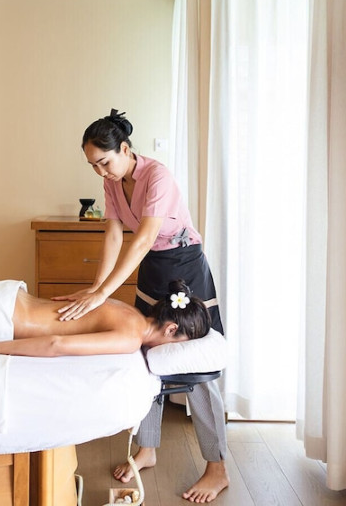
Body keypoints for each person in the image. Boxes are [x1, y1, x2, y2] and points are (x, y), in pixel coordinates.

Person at [53, 109, 229, 504]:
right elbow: (114, 235)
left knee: (196, 365)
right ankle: (147, 448)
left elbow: (145, 237)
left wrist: (103, 294)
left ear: (125, 149)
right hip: (153, 269)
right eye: (93, 165)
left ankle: (217, 467)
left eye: (104, 161)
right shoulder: (113, 183)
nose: (100, 172)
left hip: (185, 267)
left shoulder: (157, 176)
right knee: (144, 353)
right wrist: (95, 289)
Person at [0, 278, 210, 357]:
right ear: (171, 329)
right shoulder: (131, 338)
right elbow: (56, 344)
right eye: (179, 343)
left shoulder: (131, 312)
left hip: (6, 294)